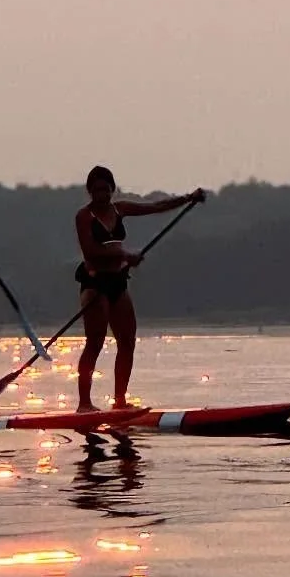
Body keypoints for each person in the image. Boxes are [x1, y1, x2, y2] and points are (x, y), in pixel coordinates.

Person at [75, 166, 204, 410]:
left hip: (117, 283)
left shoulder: (119, 209)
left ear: (112, 189)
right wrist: (125, 254)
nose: (102, 194)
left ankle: (120, 401)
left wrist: (188, 199)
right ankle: (84, 404)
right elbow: (91, 250)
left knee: (127, 341)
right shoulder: (84, 216)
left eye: (106, 189)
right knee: (95, 342)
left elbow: (155, 207)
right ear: (90, 191)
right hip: (94, 285)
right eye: (97, 190)